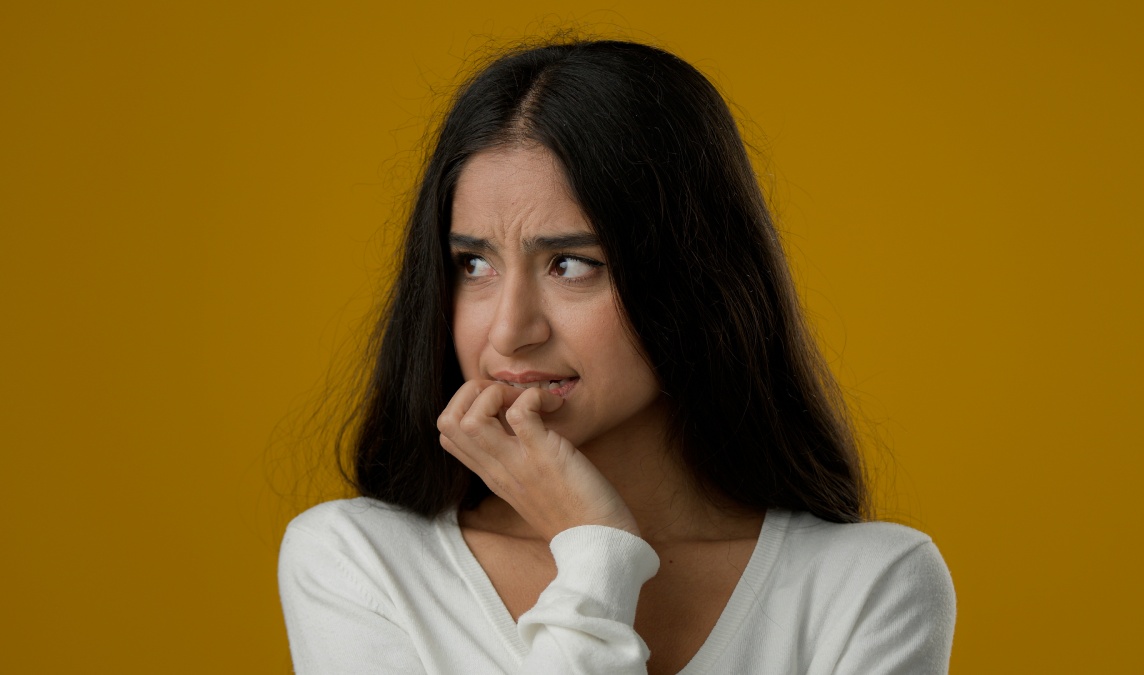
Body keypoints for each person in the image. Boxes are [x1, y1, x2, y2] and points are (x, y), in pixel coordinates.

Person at [278, 39, 956, 674]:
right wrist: (596, 555)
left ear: (695, 281)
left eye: (570, 263)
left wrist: (592, 551)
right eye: (473, 263)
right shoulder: (359, 563)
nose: (509, 330)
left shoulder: (871, 584)